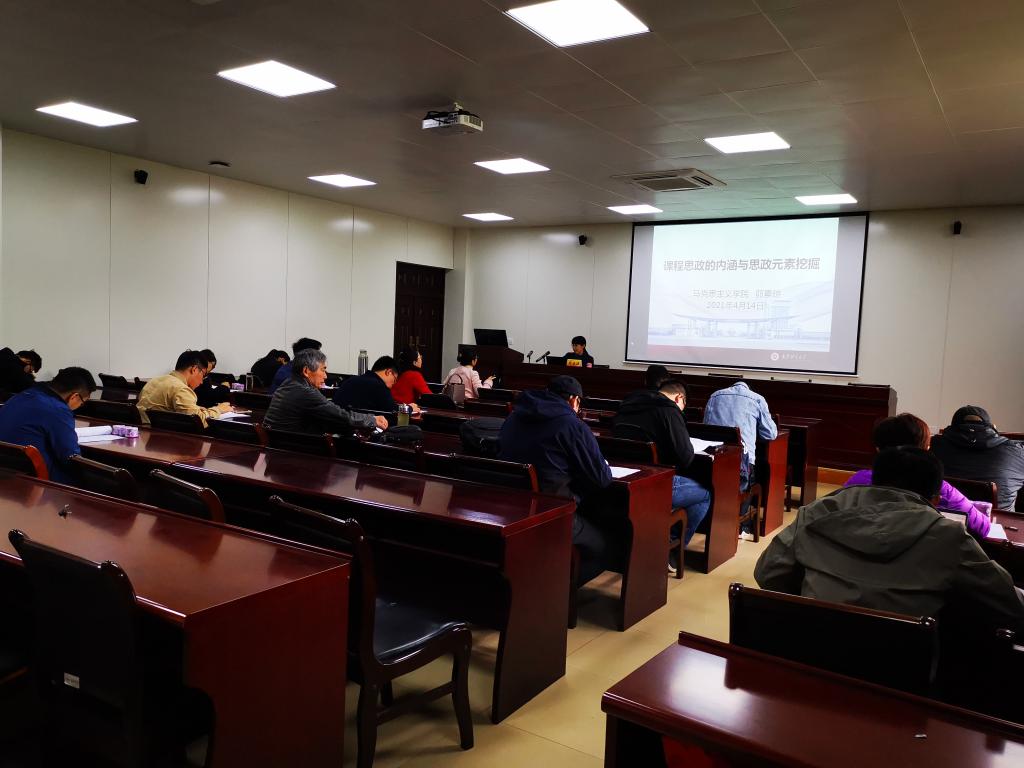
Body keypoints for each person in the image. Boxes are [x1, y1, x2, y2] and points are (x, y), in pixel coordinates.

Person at [755, 447, 1024, 632]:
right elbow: (1010, 605)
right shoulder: (949, 536)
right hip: (901, 681)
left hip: (810, 660)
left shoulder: (816, 513)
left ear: (875, 482)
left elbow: (768, 574)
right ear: (936, 500)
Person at [499, 375, 613, 582]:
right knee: (605, 547)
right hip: (553, 512)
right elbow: (602, 478)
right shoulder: (572, 425)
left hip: (511, 507)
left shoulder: (515, 416)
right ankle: (557, 590)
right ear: (573, 400)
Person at [846, 413, 991, 537]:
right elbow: (983, 527)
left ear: (878, 449)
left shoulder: (858, 481)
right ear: (924, 450)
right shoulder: (940, 489)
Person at [612, 380, 711, 555]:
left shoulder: (627, 404)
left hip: (623, 481)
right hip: (655, 485)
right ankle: (670, 548)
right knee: (705, 494)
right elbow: (685, 458)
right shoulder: (669, 411)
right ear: (679, 398)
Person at [703, 380, 777, 535]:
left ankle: (714, 518)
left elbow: (706, 427)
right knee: (755, 472)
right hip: (742, 461)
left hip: (716, 456)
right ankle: (740, 526)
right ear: (749, 388)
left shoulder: (715, 396)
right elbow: (770, 434)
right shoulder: (757, 399)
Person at [0, 366, 96, 484]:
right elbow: (70, 456)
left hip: (7, 473)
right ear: (74, 396)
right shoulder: (58, 409)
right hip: (38, 482)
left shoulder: (23, 395)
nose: (80, 406)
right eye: (82, 403)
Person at [265, 348, 386, 433]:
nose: (325, 376)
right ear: (306, 371)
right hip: (295, 452)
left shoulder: (288, 384)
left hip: (277, 445)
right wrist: (372, 419)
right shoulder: (306, 392)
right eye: (323, 370)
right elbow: (341, 415)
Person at [931, 405, 1024, 511]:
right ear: (992, 427)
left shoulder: (936, 445)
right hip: (997, 520)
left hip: (942, 516)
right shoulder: (1017, 451)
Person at [136, 350, 231, 426]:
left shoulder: (154, 381)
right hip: (163, 438)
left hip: (144, 433)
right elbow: (198, 422)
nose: (202, 381)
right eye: (203, 375)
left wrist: (198, 409)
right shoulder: (181, 389)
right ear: (194, 369)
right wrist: (218, 409)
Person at [333, 355, 399, 413]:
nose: (393, 384)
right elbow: (394, 413)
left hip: (335, 420)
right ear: (389, 372)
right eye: (395, 380)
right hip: (359, 423)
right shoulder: (380, 387)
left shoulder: (350, 380)